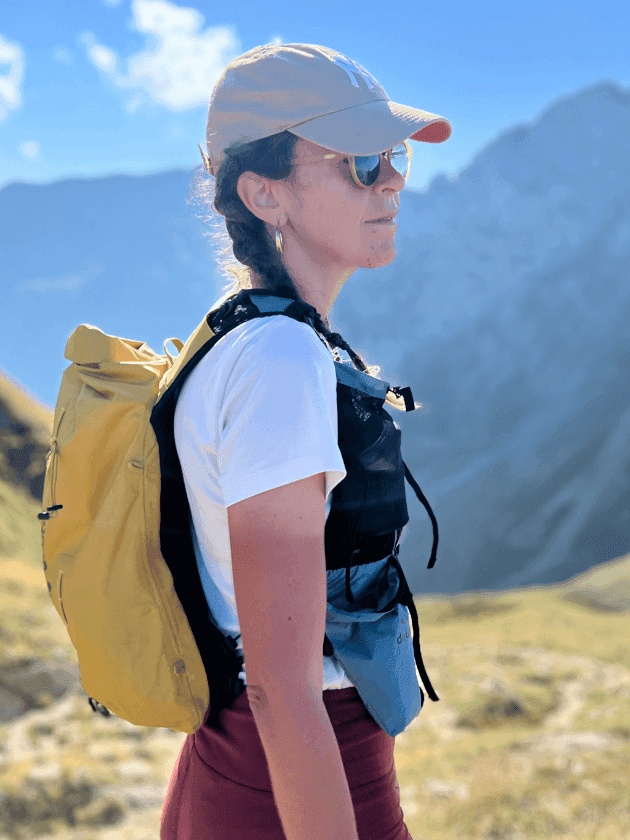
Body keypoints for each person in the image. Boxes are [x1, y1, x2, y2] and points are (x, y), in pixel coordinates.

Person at [160, 42, 451, 840]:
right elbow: (281, 688)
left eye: (392, 157)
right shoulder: (282, 361)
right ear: (265, 194)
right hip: (295, 777)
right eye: (359, 162)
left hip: (247, 764)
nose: (391, 180)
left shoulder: (247, 338)